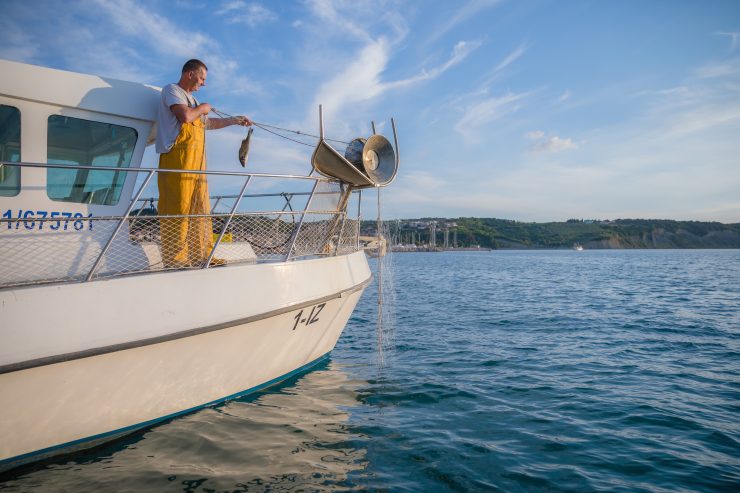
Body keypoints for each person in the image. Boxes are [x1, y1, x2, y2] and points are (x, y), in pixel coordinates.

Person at [155, 59, 252, 268]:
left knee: (200, 209)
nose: (203, 83)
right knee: (178, 209)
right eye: (202, 78)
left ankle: (203, 255)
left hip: (197, 163)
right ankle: (176, 260)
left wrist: (234, 120)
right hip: (176, 159)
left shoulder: (194, 100)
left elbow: (208, 123)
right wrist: (204, 107)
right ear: (190, 74)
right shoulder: (173, 90)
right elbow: (186, 116)